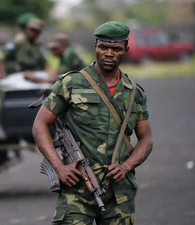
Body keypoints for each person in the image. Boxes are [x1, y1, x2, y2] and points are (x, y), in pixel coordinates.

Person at [32, 21, 153, 225]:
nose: (109, 53)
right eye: (103, 47)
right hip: (78, 190)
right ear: (95, 46)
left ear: (126, 50)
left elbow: (146, 139)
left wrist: (126, 166)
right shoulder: (71, 84)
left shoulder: (134, 93)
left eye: (116, 49)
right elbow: (40, 125)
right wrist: (60, 167)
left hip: (119, 194)